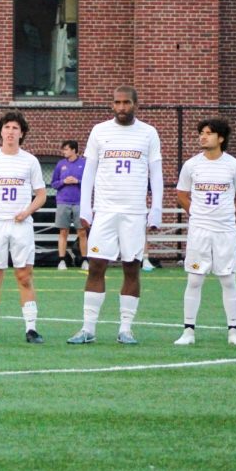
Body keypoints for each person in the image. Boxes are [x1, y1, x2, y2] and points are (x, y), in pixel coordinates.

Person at [67, 86, 163, 345]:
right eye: (117, 103)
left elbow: (156, 173)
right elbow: (89, 173)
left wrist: (156, 209)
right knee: (96, 266)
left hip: (133, 211)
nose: (121, 107)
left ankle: (126, 329)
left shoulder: (148, 133)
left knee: (132, 268)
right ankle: (88, 329)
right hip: (105, 211)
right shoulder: (99, 131)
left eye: (126, 103)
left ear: (136, 104)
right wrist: (86, 208)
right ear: (112, 105)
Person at [0, 110, 47, 344]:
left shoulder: (30, 160)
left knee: (24, 275)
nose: (10, 132)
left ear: (21, 133)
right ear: (0, 132)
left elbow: (41, 194)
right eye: (7, 127)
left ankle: (31, 329)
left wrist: (27, 211)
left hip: (20, 226)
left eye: (15, 128)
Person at [173, 118, 236, 346]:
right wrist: (196, 214)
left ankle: (234, 332)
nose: (203, 136)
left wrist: (228, 215)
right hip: (199, 231)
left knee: (228, 280)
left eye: (208, 133)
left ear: (221, 138)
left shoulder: (234, 166)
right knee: (195, 279)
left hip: (225, 231)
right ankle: (188, 331)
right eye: (201, 133)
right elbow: (181, 194)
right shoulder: (191, 165)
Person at [50, 139, 86, 270]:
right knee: (63, 231)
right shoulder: (60, 164)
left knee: (82, 232)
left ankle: (84, 260)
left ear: (74, 150)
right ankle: (62, 261)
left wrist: (78, 181)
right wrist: (64, 181)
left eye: (66, 149)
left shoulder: (84, 163)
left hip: (79, 202)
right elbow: (53, 183)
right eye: (63, 149)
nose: (64, 152)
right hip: (63, 202)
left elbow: (91, 183)